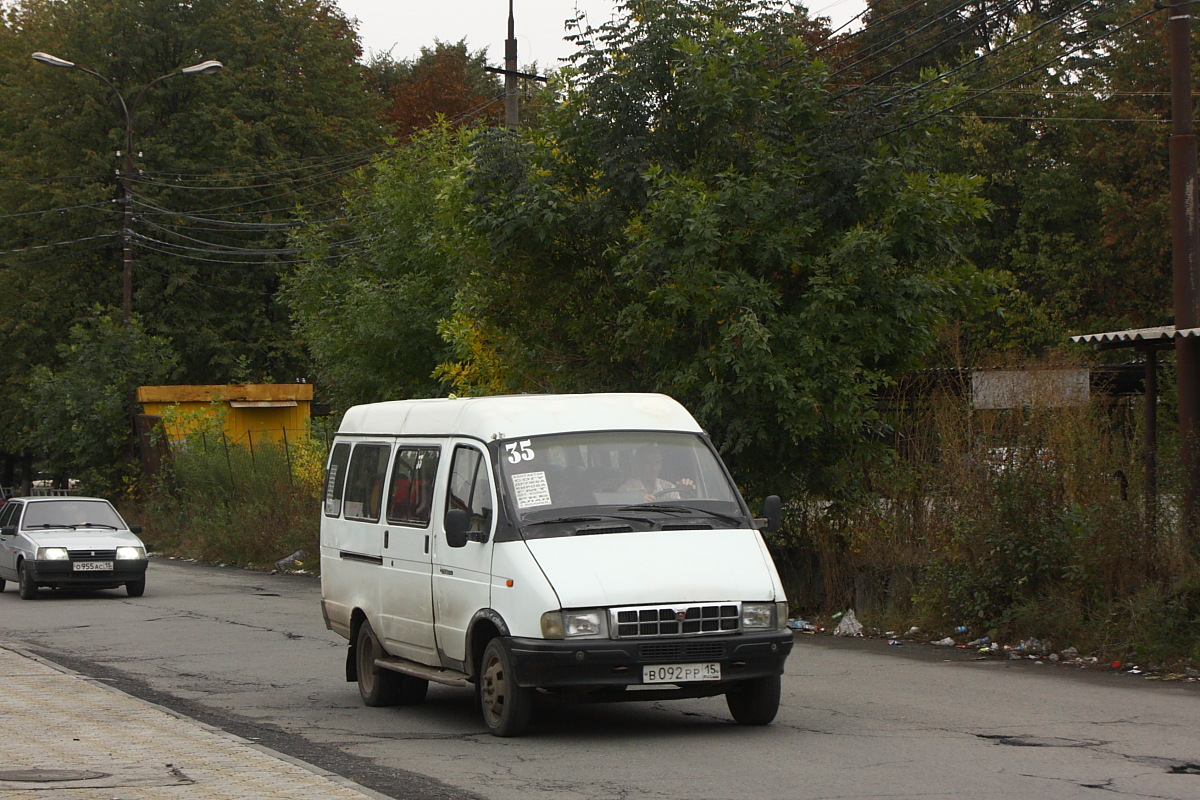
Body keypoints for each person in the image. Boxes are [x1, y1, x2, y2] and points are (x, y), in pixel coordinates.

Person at [619, 446, 694, 502]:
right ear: (638, 464)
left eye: (657, 463)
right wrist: (637, 501)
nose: (653, 468)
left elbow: (680, 509)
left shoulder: (669, 488)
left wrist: (684, 494)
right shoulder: (626, 490)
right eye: (648, 463)